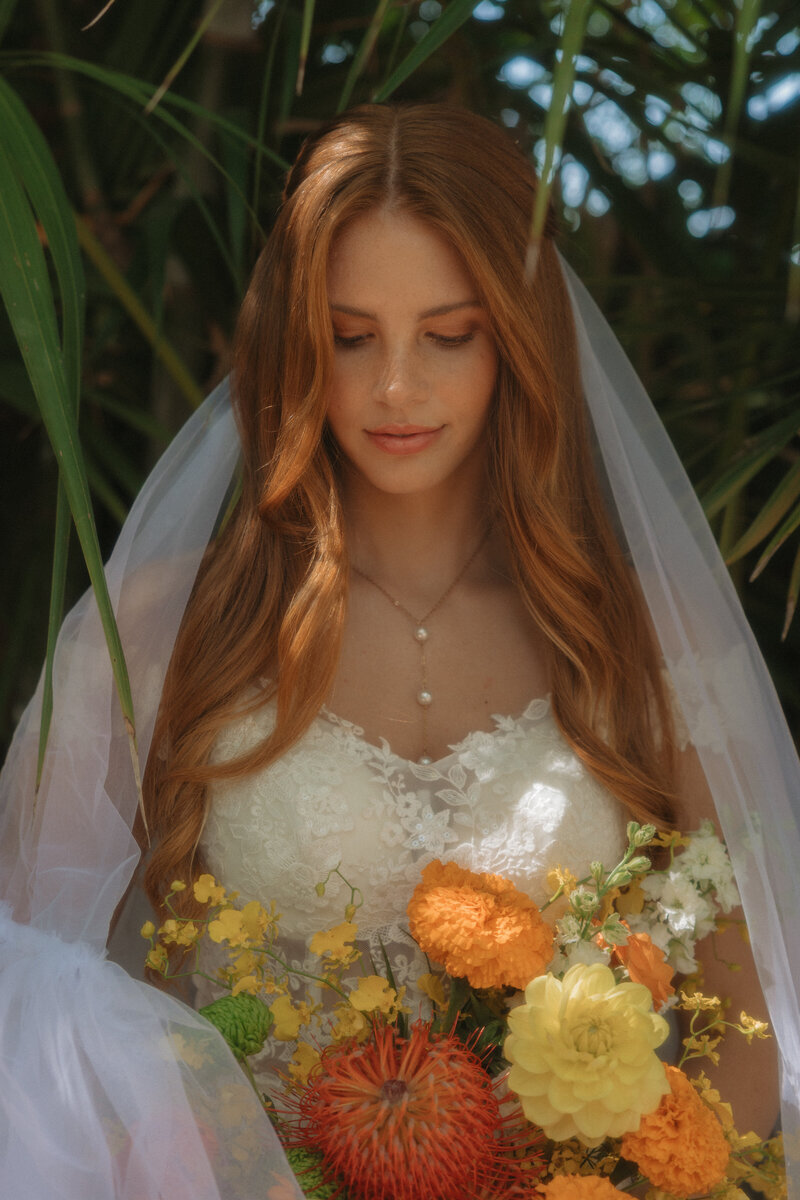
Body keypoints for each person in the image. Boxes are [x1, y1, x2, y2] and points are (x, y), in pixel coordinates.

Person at [0, 103, 797, 1199]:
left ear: (519, 335)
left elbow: (744, 1022)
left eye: (449, 332)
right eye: (349, 335)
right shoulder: (159, 629)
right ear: (295, 343)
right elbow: (31, 992)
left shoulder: (640, 636)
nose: (394, 388)